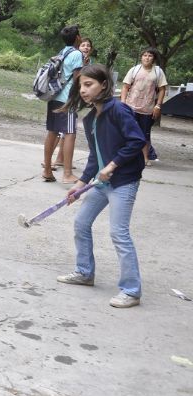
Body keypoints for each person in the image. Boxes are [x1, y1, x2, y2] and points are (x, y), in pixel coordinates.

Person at [56, 64, 146, 308]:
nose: (84, 90)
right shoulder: (90, 119)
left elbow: (137, 140)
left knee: (119, 233)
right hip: (101, 183)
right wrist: (81, 183)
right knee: (81, 223)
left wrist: (113, 165)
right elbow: (96, 157)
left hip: (123, 181)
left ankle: (131, 290)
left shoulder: (118, 109)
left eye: (89, 85)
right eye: (81, 86)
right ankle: (85, 272)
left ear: (103, 85)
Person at [42, 25, 83, 184]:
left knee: (52, 132)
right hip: (67, 99)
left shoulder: (62, 52)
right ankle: (67, 173)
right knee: (70, 133)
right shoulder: (77, 54)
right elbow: (77, 78)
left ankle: (47, 170)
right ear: (78, 38)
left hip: (54, 96)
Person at [120, 48, 167, 167]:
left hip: (148, 109)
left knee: (145, 134)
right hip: (131, 107)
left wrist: (158, 105)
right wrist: (123, 103)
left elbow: (162, 89)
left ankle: (145, 157)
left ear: (154, 59)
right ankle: (126, 156)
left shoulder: (158, 72)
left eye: (150, 56)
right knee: (128, 132)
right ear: (141, 57)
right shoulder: (134, 70)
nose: (147, 58)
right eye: (145, 55)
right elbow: (125, 87)